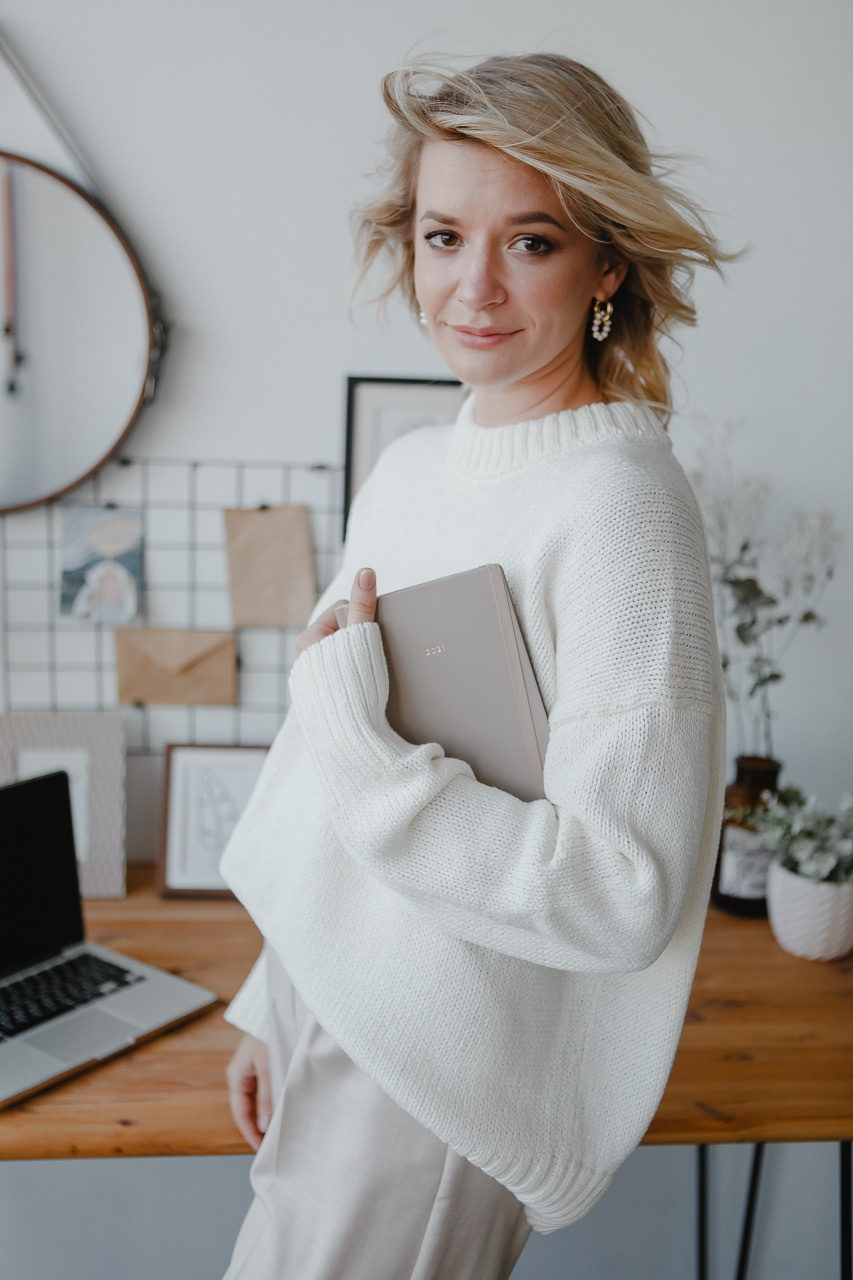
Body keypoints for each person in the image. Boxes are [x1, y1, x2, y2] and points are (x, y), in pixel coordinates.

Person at [219, 52, 732, 1280]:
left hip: (439, 1063)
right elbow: (324, 770)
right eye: (445, 235)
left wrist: (363, 751)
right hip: (332, 1005)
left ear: (608, 262)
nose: (474, 288)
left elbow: (621, 891)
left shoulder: (620, 509)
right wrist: (272, 994)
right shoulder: (412, 466)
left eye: (533, 242)